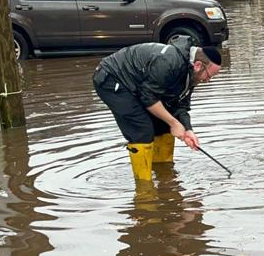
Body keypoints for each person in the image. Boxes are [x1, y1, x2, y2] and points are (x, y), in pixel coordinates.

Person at [93, 36, 222, 182]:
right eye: (209, 76)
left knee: (163, 126)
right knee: (142, 130)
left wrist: (188, 130)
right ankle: (144, 186)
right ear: (198, 65)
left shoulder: (190, 74)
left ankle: (164, 176)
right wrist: (174, 123)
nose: (207, 80)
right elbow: (148, 98)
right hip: (113, 79)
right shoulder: (169, 61)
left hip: (140, 86)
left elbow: (180, 105)